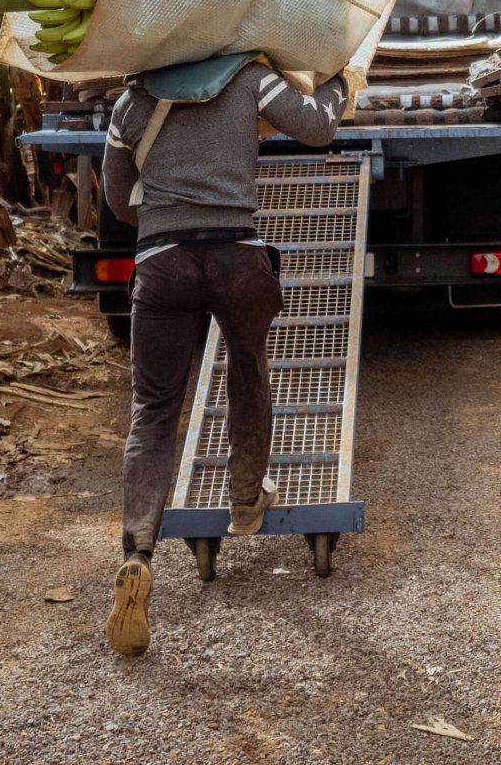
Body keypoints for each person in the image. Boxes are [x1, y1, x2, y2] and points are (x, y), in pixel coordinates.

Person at [100, 54, 351, 657]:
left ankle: (138, 551)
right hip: (239, 255)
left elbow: (115, 199)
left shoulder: (132, 100)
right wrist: (340, 79)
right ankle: (245, 500)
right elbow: (317, 127)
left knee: (154, 410)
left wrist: (166, 219)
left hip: (161, 262)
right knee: (247, 369)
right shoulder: (249, 79)